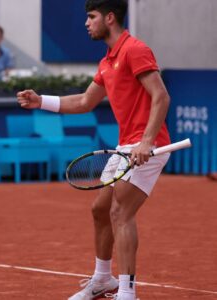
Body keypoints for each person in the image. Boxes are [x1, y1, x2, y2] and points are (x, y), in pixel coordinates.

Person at [17, 1, 171, 299]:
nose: (87, 23)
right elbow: (85, 101)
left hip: (148, 147)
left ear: (109, 17)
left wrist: (147, 141)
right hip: (126, 146)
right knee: (100, 209)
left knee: (120, 212)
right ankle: (103, 279)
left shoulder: (135, 49)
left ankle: (127, 292)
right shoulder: (107, 61)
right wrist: (41, 101)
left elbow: (161, 97)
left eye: (91, 17)